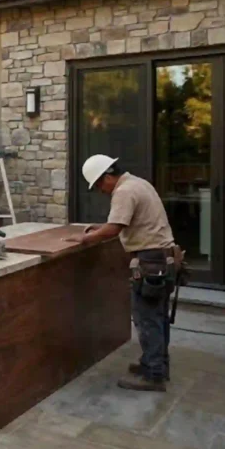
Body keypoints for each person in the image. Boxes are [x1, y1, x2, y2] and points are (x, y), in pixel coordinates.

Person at [65, 155, 182, 392]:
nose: (101, 191)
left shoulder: (124, 191)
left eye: (99, 185)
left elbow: (115, 228)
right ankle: (155, 364)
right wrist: (99, 228)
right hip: (162, 258)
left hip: (150, 261)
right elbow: (122, 222)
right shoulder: (138, 183)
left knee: (147, 318)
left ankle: (153, 375)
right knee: (157, 317)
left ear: (108, 176)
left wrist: (85, 237)